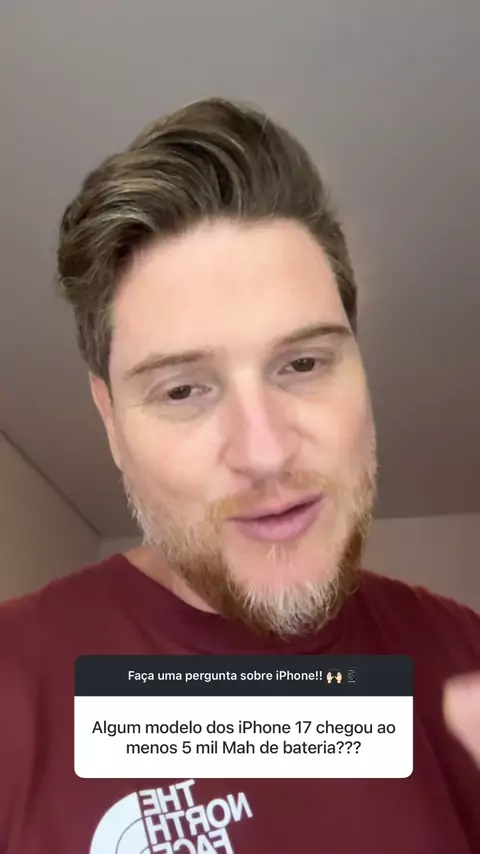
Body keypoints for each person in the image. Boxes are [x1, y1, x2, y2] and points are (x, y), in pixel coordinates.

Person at [0, 97, 479, 854]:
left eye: (303, 363)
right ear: (111, 421)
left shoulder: (465, 658)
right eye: (183, 390)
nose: (264, 452)